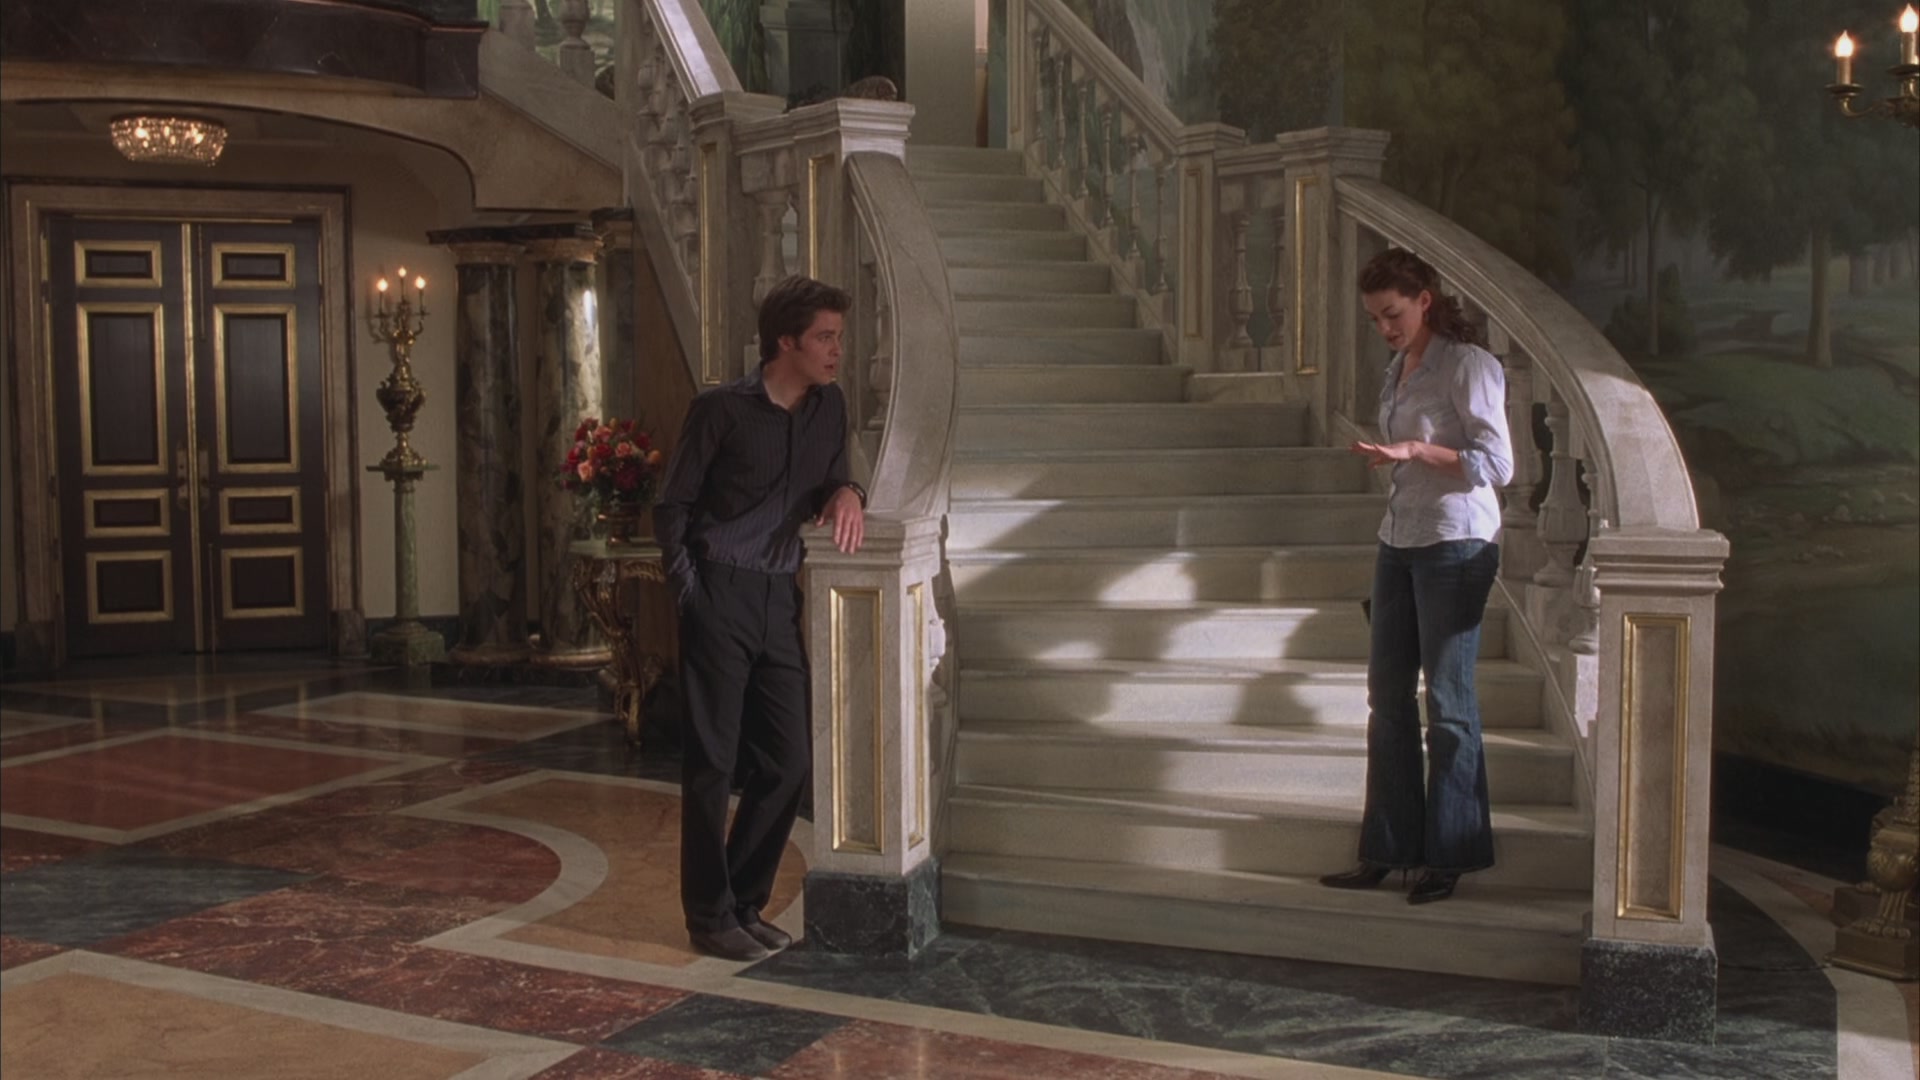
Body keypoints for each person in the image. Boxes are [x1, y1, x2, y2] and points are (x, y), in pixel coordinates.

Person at [653, 275, 868, 960]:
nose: (837, 350)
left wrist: (849, 492)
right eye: (825, 338)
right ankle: (708, 916)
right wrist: (690, 594)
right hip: (718, 589)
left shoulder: (829, 407)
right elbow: (672, 506)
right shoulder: (721, 409)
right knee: (713, 765)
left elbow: (834, 476)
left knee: (790, 760)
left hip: (780, 597)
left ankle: (743, 902)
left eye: (838, 337)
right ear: (786, 342)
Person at [1319, 248, 1514, 906]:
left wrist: (1416, 450)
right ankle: (1387, 849)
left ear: (1424, 299)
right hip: (1399, 539)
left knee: (1449, 704)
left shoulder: (1468, 364)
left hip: (1456, 542)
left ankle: (1449, 855)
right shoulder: (1398, 367)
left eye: (1393, 314)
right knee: (1387, 697)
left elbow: (1498, 464)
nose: (1385, 328)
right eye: (1375, 319)